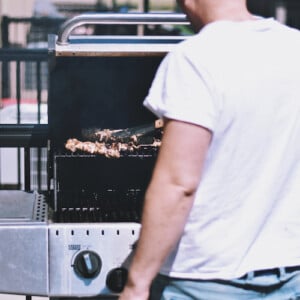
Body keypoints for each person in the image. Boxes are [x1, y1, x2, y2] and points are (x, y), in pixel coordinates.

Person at [119, 0, 300, 299]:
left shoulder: (194, 58)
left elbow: (179, 184)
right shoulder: (294, 46)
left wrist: (137, 282)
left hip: (204, 279)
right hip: (292, 272)